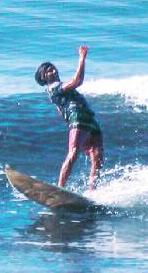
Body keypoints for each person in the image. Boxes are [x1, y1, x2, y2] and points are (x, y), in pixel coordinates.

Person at [34, 45, 103, 190]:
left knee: (97, 157)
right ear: (43, 78)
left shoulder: (56, 91)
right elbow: (77, 81)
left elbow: (61, 110)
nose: (53, 71)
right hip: (78, 118)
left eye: (53, 68)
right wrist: (82, 58)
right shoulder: (53, 87)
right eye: (48, 71)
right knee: (73, 153)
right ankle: (60, 188)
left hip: (90, 119)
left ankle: (92, 191)